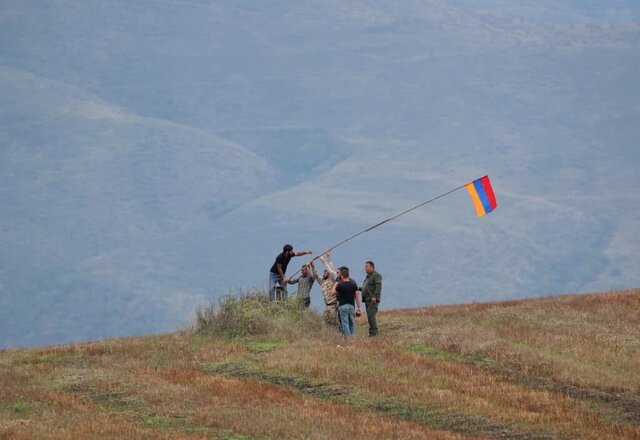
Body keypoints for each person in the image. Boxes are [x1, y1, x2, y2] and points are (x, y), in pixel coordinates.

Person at [309, 251, 339, 327]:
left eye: (326, 272)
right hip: (327, 305)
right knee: (326, 322)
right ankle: (329, 336)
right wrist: (313, 266)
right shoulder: (323, 281)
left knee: (334, 323)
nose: (324, 273)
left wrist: (328, 257)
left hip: (333, 305)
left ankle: (337, 336)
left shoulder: (332, 280)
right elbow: (316, 275)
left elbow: (330, 269)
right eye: (324, 273)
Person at [332, 267, 362, 336]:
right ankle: (352, 337)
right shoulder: (353, 284)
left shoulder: (340, 285)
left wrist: (336, 283)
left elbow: (332, 293)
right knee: (351, 323)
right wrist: (359, 307)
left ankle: (348, 339)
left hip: (343, 306)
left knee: (345, 323)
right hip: (351, 306)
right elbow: (356, 296)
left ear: (341, 276)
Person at [360, 260, 382, 336]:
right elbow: (366, 287)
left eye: (366, 266)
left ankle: (374, 333)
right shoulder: (368, 276)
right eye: (365, 266)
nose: (365, 268)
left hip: (372, 300)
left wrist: (374, 297)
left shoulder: (376, 275)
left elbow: (378, 286)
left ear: (372, 267)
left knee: (371, 316)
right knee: (369, 317)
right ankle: (371, 333)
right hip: (367, 299)